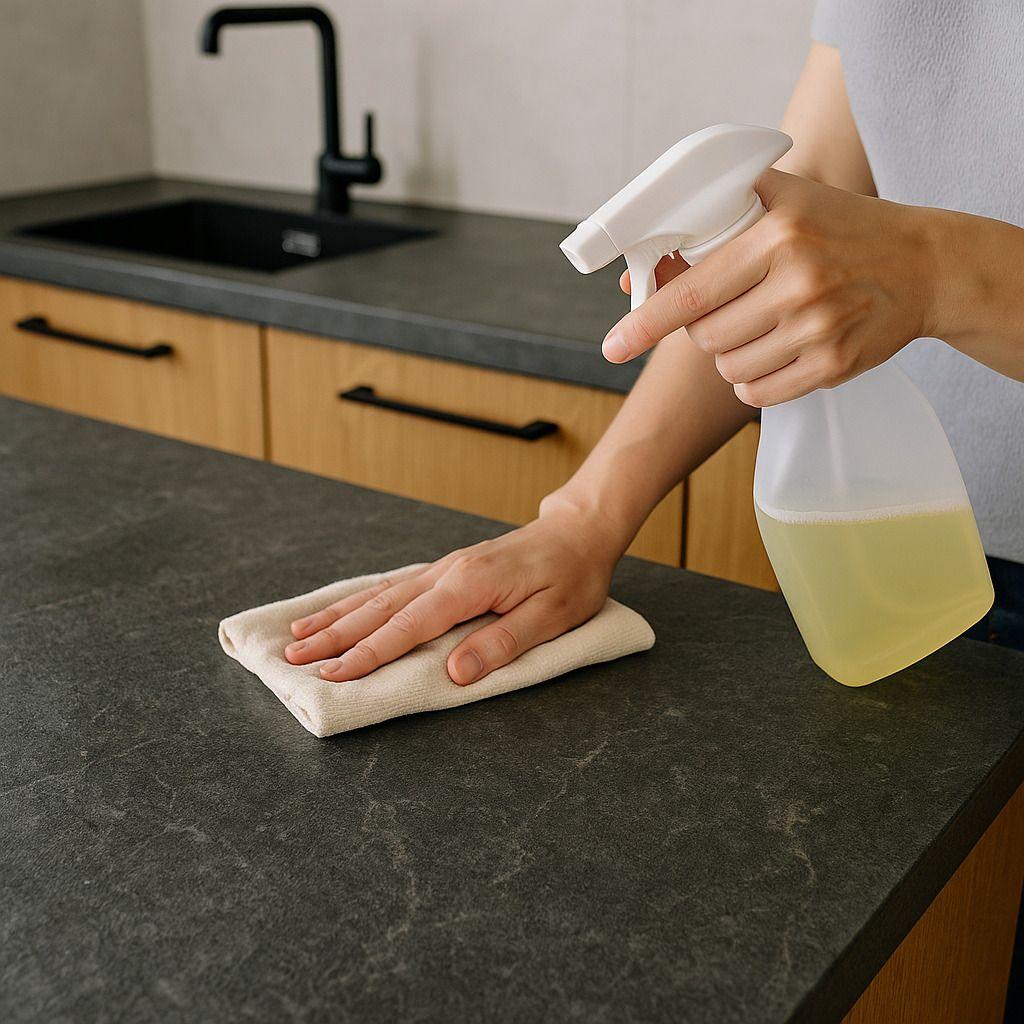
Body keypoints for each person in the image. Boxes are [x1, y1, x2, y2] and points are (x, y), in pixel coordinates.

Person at [282, 3, 1024, 688]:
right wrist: (583, 519)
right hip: (909, 536)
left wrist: (936, 270)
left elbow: (887, 254)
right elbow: (811, 194)